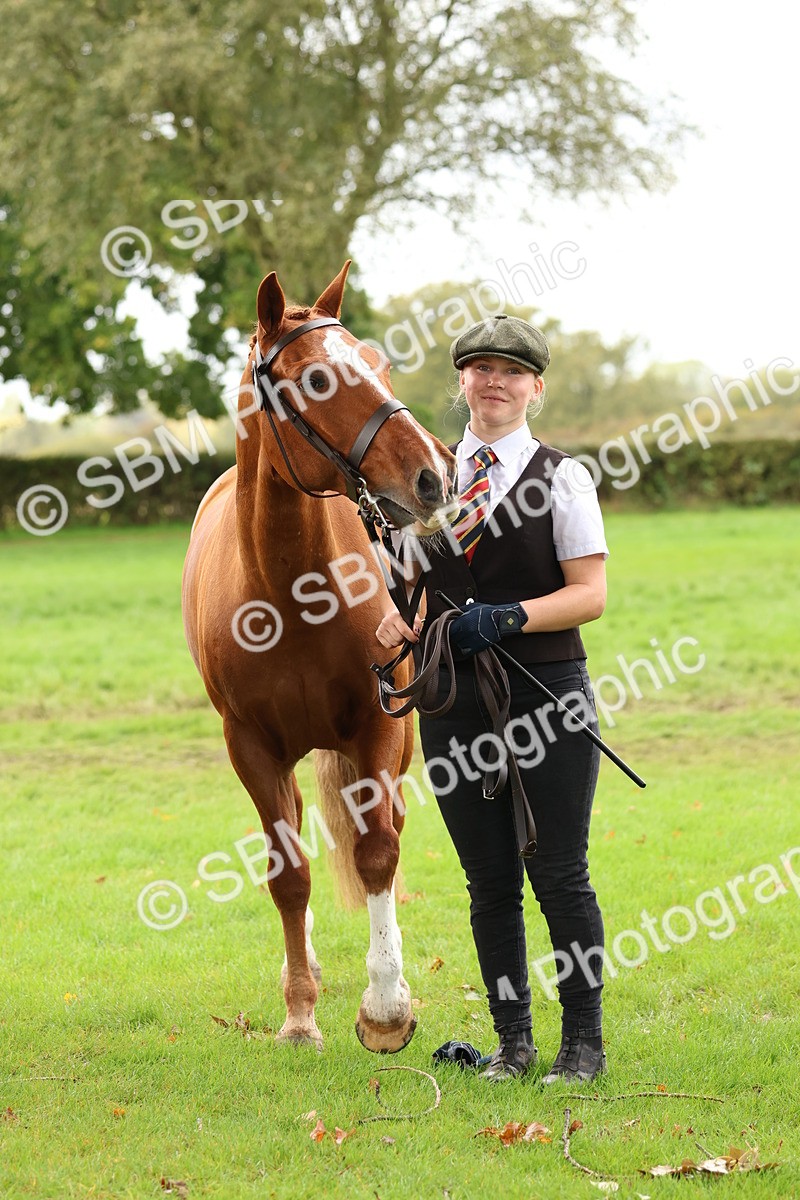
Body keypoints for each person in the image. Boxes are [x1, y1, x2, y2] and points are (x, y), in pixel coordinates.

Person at [376, 313, 609, 1083]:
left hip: (548, 696)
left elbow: (590, 594)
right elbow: (418, 591)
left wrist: (509, 616)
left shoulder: (562, 476)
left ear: (535, 388)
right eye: (480, 368)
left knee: (560, 873)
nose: (494, 381)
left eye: (511, 372)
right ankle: (513, 1045)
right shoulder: (427, 481)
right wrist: (397, 627)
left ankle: (582, 1045)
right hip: (454, 704)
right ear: (463, 383)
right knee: (489, 882)